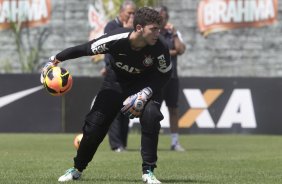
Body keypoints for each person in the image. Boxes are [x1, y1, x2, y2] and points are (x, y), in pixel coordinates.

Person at [40, 7, 171, 184]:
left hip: (143, 87)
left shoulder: (160, 47)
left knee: (151, 115)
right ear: (139, 28)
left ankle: (148, 172)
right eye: (153, 29)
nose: (158, 32)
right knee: (93, 128)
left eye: (159, 28)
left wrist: (145, 93)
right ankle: (77, 169)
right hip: (114, 85)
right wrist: (55, 59)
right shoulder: (116, 39)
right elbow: (86, 49)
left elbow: (164, 74)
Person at [103, 0, 136, 152]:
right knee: (114, 110)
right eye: (130, 12)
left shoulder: (134, 28)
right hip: (114, 73)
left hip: (129, 74)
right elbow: (108, 48)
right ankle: (116, 144)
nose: (132, 15)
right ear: (121, 12)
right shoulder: (112, 26)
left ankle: (123, 142)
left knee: (126, 109)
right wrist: (107, 66)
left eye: (134, 12)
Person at [157, 6, 186, 151]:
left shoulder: (172, 33)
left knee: (173, 109)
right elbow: (155, 52)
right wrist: (171, 52)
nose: (162, 20)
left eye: (164, 17)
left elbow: (181, 49)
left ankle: (175, 142)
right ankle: (151, 141)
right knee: (154, 109)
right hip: (157, 77)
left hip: (172, 77)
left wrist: (174, 33)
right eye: (160, 17)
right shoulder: (152, 32)